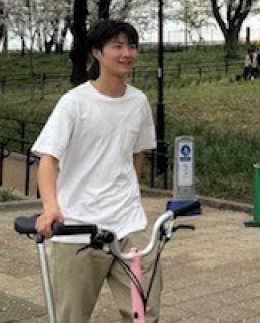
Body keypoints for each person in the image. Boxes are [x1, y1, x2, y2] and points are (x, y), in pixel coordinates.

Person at [32, 19, 159, 323]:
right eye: (117, 46)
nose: (126, 53)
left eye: (131, 46)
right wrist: (51, 209)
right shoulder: (74, 103)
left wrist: (131, 194)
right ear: (97, 53)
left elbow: (135, 155)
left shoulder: (138, 102)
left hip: (129, 225)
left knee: (144, 314)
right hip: (78, 227)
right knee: (71, 317)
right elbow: (48, 158)